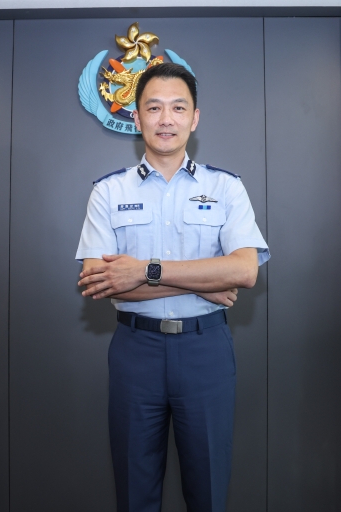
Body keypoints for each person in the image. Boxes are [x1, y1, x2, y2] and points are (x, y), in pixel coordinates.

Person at [76, 63, 269, 512]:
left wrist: (143, 272)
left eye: (178, 108)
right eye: (154, 108)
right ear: (136, 117)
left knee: (208, 489)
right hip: (135, 352)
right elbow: (101, 281)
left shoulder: (226, 187)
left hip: (206, 353)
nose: (167, 119)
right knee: (135, 490)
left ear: (194, 118)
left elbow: (244, 272)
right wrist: (203, 283)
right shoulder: (108, 191)